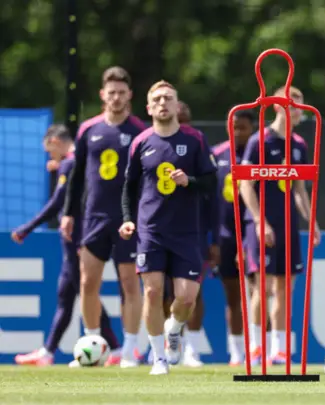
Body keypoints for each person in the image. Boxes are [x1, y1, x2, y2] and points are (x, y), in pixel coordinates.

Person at [120, 80, 217, 375]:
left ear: (177, 105)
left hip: (187, 231)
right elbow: (129, 187)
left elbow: (211, 183)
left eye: (168, 98)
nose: (163, 103)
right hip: (151, 230)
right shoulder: (140, 142)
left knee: (186, 298)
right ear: (149, 107)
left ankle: (174, 328)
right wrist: (127, 218)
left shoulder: (195, 139)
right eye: (157, 99)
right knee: (151, 292)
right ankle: (158, 359)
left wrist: (190, 181)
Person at [12, 124, 121, 367]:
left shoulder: (70, 163)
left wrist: (26, 228)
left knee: (84, 293)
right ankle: (49, 352)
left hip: (75, 237)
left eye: (49, 150)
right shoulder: (70, 164)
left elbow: (57, 204)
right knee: (66, 294)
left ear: (56, 142)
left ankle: (113, 347)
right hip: (72, 237)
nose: (50, 156)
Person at [60, 67, 146, 368]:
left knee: (129, 284)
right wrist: (69, 213)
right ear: (102, 95)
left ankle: (130, 350)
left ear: (130, 95)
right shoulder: (88, 129)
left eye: (122, 92)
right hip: (93, 218)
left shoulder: (139, 132)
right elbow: (76, 177)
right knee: (88, 282)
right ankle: (92, 346)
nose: (117, 97)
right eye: (112, 92)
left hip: (128, 219)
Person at [239, 85, 321, 366]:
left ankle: (281, 348)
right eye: (293, 102)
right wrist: (260, 221)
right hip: (263, 222)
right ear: (278, 106)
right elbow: (245, 186)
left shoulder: (298, 144)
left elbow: (299, 189)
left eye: (300, 102)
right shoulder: (259, 141)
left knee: (286, 287)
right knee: (262, 287)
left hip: (289, 223)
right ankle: (255, 346)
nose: (298, 108)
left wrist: (312, 222)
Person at [212, 109, 257, 366]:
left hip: (251, 230)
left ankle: (257, 346)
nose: (238, 132)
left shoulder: (258, 154)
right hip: (225, 233)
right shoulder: (217, 155)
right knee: (232, 294)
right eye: (234, 127)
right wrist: (213, 239)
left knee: (257, 290)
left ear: (251, 128)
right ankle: (236, 351)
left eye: (243, 127)